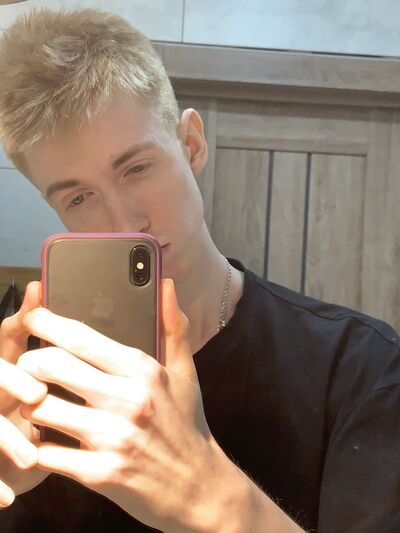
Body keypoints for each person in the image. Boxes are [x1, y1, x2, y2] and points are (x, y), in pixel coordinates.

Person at [0, 7, 399, 533]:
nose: (126, 223)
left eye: (137, 168)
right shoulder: (31, 384)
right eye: (78, 198)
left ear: (191, 144)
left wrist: (215, 502)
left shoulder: (360, 367)